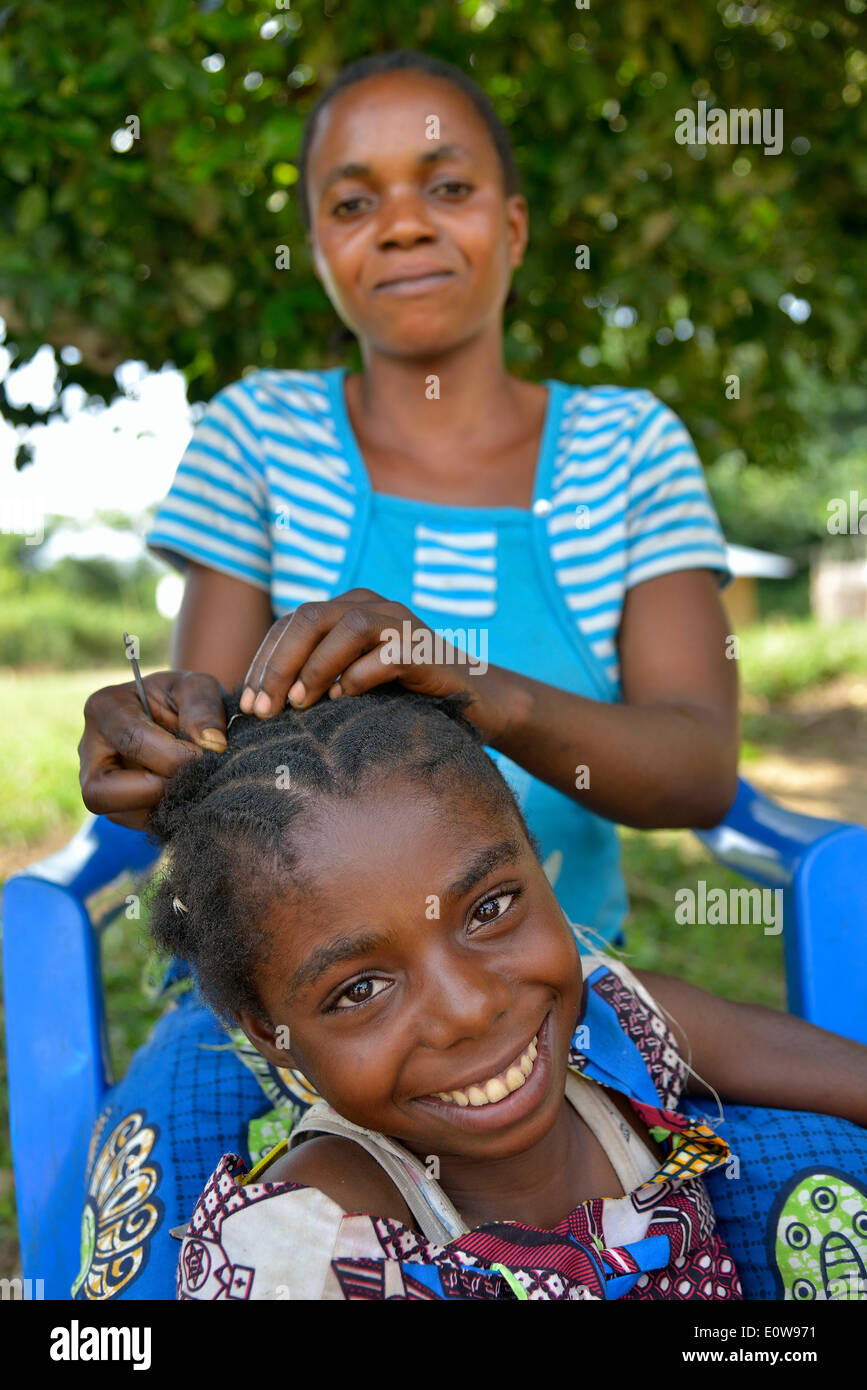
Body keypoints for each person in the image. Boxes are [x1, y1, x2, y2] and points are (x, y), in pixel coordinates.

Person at [73, 49, 741, 1300]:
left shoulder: (631, 446)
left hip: (559, 988)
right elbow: (197, 738)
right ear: (320, 246)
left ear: (515, 221)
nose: (404, 226)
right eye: (353, 199)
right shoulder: (256, 435)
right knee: (159, 1258)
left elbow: (697, 769)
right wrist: (151, 732)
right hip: (297, 1008)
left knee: (791, 1198)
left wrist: (478, 687)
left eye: (447, 183)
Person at [145, 687, 867, 1302]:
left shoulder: (621, 1031)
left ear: (541, 871)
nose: (467, 1008)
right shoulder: (308, 1249)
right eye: (360, 988)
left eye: (488, 910)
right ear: (270, 1036)